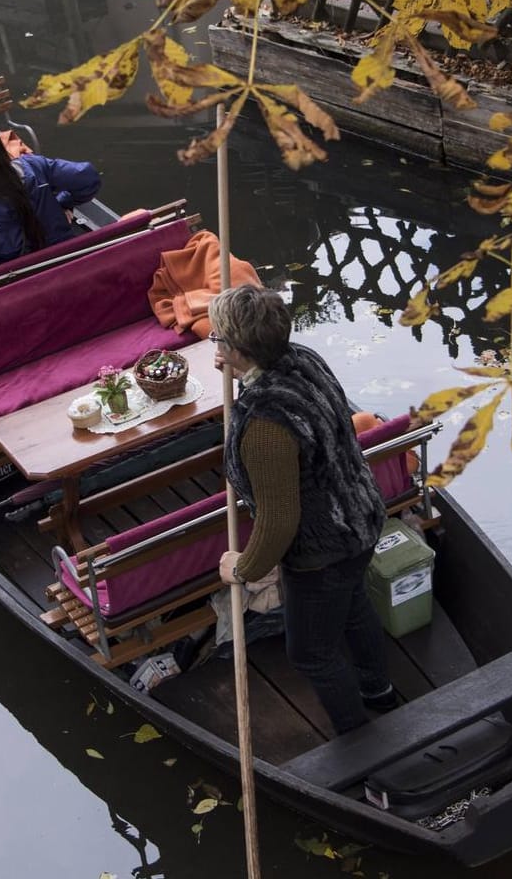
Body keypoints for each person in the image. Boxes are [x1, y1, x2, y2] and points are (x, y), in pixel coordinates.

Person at [212, 284, 398, 733]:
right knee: (353, 603)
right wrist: (237, 367)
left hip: (323, 550)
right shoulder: (305, 359)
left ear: (239, 349)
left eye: (217, 339)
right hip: (362, 514)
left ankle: (360, 735)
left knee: (311, 653)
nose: (214, 345)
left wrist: (242, 569)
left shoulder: (264, 427)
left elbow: (279, 522)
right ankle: (380, 690)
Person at [0, 121, 101, 270]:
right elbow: (88, 178)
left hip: (27, 285)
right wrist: (63, 203)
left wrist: (63, 203)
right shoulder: (35, 166)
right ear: (0, 147)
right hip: (73, 263)